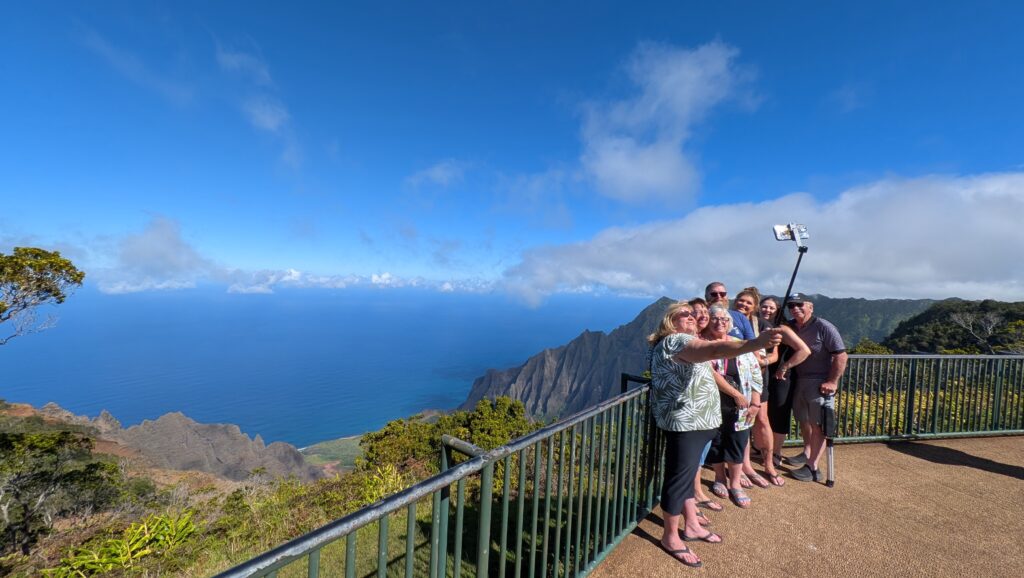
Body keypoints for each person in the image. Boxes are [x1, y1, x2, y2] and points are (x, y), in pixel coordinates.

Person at [647, 301, 781, 567]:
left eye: (696, 315)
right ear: (670, 322)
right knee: (678, 478)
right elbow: (714, 348)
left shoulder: (688, 341)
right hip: (686, 424)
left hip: (699, 423)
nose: (693, 317)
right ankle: (670, 537)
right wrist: (754, 343)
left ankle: (692, 526)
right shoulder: (675, 341)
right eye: (684, 314)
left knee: (686, 476)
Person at [734, 289, 811, 482]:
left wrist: (782, 366)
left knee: (766, 418)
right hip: (744, 379)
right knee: (746, 421)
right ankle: (747, 461)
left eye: (771, 307)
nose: (767, 310)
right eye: (765, 307)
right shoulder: (737, 323)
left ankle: (771, 457)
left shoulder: (774, 328)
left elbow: (792, 352)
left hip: (768, 378)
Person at [701, 305, 763, 508]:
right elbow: (711, 373)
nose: (720, 322)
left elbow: (755, 373)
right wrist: (736, 395)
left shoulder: (741, 344)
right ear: (708, 321)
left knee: (738, 440)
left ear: (731, 323)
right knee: (717, 439)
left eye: (724, 319)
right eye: (715, 319)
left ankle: (735, 483)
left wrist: (755, 401)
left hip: (742, 401)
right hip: (714, 402)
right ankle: (720, 478)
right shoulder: (703, 345)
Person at [781, 293, 848, 481]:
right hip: (800, 381)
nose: (795, 308)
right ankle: (807, 452)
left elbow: (841, 356)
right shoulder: (792, 327)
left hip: (820, 383)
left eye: (800, 305)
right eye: (791, 306)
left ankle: (812, 467)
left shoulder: (824, 327)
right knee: (804, 420)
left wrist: (832, 381)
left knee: (818, 425)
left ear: (810, 307)